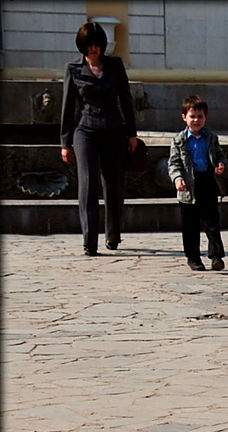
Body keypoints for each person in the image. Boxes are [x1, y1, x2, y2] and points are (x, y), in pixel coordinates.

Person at [60, 21, 138, 256]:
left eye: (96, 44)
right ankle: (89, 241)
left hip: (113, 130)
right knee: (87, 183)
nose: (93, 49)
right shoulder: (72, 68)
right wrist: (65, 142)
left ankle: (113, 236)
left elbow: (126, 99)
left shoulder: (115, 66)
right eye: (88, 45)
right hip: (85, 131)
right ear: (82, 46)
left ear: (103, 45)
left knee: (113, 184)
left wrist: (132, 133)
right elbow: (67, 107)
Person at [167, 96, 227, 272]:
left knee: (212, 221)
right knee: (190, 224)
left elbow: (220, 155)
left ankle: (216, 255)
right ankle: (193, 258)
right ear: (184, 117)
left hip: (207, 180)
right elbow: (174, 163)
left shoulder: (211, 138)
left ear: (205, 118)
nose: (196, 120)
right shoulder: (179, 141)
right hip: (188, 185)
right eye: (192, 116)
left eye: (200, 116)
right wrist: (177, 179)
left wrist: (221, 164)